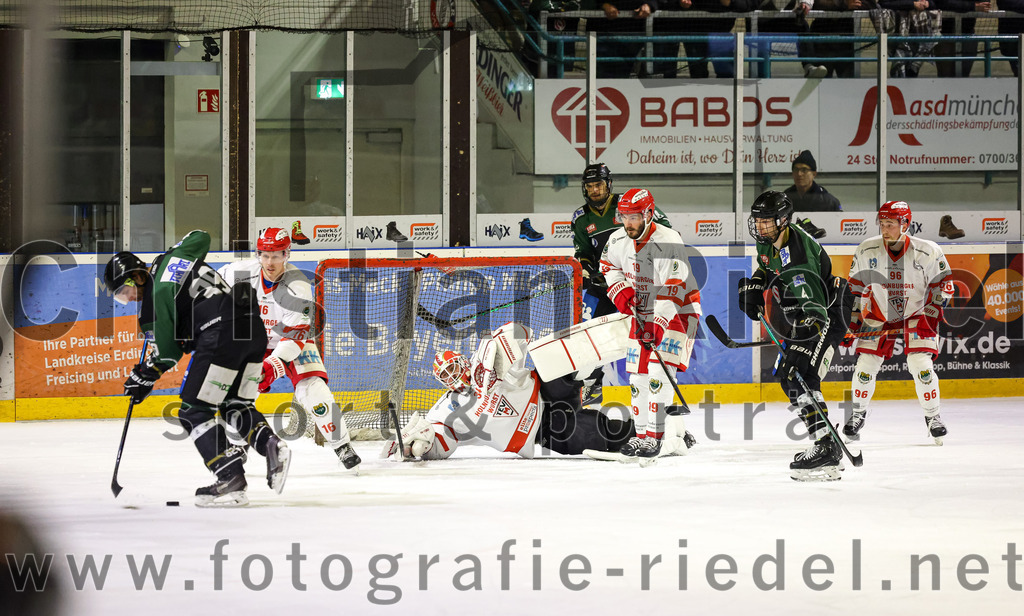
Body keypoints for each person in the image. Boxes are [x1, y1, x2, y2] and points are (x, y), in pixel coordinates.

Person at [104, 230, 290, 507]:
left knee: (193, 411)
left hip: (220, 333)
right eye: (121, 296)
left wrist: (144, 375)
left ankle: (229, 477)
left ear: (138, 276)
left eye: (124, 290)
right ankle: (271, 445)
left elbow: (168, 353)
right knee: (233, 403)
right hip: (252, 330)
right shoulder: (176, 257)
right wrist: (171, 253)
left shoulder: (153, 303)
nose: (128, 298)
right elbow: (202, 237)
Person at [381, 323, 641, 460]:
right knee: (590, 433)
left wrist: (499, 339)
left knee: (550, 356)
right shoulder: (446, 409)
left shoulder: (485, 358)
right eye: (447, 376)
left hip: (546, 391)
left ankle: (593, 371)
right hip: (541, 429)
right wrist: (425, 446)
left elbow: (521, 333)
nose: (455, 377)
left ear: (462, 361)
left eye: (455, 368)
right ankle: (645, 433)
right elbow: (443, 442)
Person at [217, 228, 361, 471]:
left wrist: (273, 364)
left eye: (276, 255)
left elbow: (294, 336)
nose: (269, 262)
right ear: (257, 254)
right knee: (238, 394)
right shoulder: (238, 272)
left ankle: (342, 445)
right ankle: (237, 445)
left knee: (314, 390)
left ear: (287, 255)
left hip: (292, 341)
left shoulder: (298, 286)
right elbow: (207, 287)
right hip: (253, 341)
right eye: (264, 255)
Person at [737, 191, 853, 481]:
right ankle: (825, 444)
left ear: (784, 220)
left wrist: (798, 349)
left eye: (767, 222)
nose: (761, 227)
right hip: (804, 313)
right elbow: (766, 267)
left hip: (827, 312)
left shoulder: (798, 257)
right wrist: (755, 285)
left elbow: (817, 313)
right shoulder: (769, 242)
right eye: (758, 221)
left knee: (799, 372)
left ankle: (827, 447)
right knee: (789, 375)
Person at [599, 188, 702, 458]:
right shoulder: (618, 238)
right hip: (642, 308)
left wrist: (657, 323)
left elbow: (675, 287)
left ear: (648, 213)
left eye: (634, 217)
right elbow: (608, 266)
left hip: (679, 310)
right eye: (624, 216)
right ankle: (642, 435)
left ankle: (655, 438)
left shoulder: (668, 240)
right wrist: (622, 293)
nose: (628, 223)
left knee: (658, 372)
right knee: (637, 375)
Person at [842, 201, 953, 444]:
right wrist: (850, 325)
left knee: (920, 364)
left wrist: (930, 317)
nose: (884, 229)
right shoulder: (866, 249)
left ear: (905, 224)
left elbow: (944, 288)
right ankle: (857, 414)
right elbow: (854, 290)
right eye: (882, 223)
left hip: (917, 314)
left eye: (890, 224)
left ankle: (933, 418)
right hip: (879, 314)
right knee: (865, 366)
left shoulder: (928, 251)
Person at [571, 163, 672, 406]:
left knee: (647, 335)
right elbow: (583, 253)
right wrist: (588, 270)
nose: (595, 190)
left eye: (599, 185)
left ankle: (658, 391)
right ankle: (591, 386)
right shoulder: (581, 218)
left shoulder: (630, 205)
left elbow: (664, 234)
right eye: (590, 186)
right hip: (604, 284)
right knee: (587, 333)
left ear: (609, 185)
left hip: (640, 283)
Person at [586, 0, 659, 78]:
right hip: (602, 33)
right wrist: (604, 5)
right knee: (602, 73)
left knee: (623, 73)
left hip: (631, 33)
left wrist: (649, 5)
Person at [784, 150, 841, 240]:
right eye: (796, 169)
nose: (799, 174)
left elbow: (838, 227)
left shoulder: (827, 200)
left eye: (804, 170)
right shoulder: (785, 198)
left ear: (814, 174)